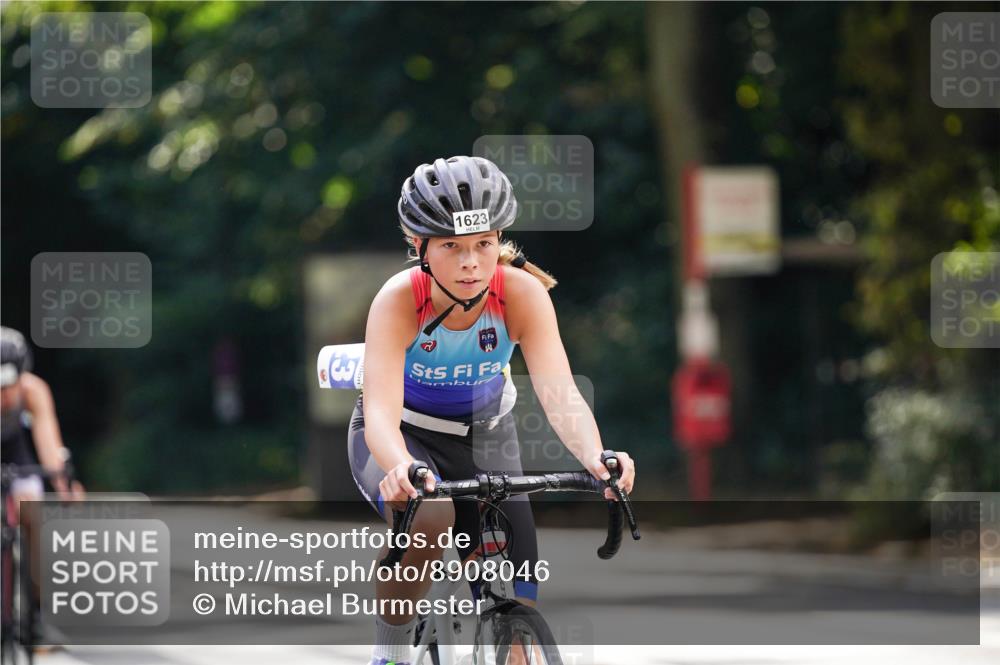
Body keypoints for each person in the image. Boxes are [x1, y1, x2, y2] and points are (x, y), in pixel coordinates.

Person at [348, 156, 636, 665]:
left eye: (483, 245)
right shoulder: (398, 300)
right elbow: (381, 417)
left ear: (498, 238)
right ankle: (388, 651)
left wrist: (597, 456)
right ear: (420, 247)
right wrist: (400, 468)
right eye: (452, 247)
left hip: (486, 437)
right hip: (404, 436)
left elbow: (560, 392)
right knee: (430, 517)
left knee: (518, 612)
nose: (470, 263)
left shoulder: (521, 294)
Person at [1, 326, 84, 652]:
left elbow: (49, 444)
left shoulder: (34, 391)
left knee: (32, 514)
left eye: (9, 386)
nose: (4, 397)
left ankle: (37, 614)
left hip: (18, 457)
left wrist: (65, 485)